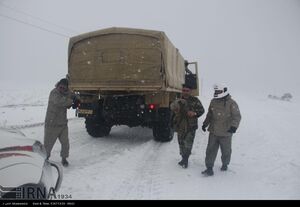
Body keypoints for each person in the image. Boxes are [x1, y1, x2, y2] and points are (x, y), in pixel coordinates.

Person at [201, 84, 241, 176]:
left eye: (218, 92)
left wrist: (233, 127)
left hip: (226, 132)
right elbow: (209, 114)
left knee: (226, 151)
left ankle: (225, 164)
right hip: (214, 131)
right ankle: (209, 168)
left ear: (224, 91)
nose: (216, 93)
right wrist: (205, 124)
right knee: (210, 150)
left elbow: (237, 116)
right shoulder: (213, 101)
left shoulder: (232, 103)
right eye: (215, 91)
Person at [44, 78, 80, 167]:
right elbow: (59, 102)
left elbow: (73, 96)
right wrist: (72, 102)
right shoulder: (54, 93)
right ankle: (45, 158)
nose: (62, 89)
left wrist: (77, 99)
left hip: (63, 124)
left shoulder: (67, 92)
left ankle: (64, 159)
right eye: (61, 87)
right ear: (58, 85)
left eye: (64, 87)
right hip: (52, 124)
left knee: (65, 143)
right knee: (48, 144)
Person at [170, 84, 205, 168]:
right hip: (180, 125)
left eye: (187, 91)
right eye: (184, 90)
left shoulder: (195, 100)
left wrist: (194, 113)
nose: (185, 92)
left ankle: (186, 159)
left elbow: (202, 110)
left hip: (190, 125)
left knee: (188, 143)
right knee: (181, 143)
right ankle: (183, 157)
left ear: (190, 91)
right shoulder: (177, 100)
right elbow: (172, 108)